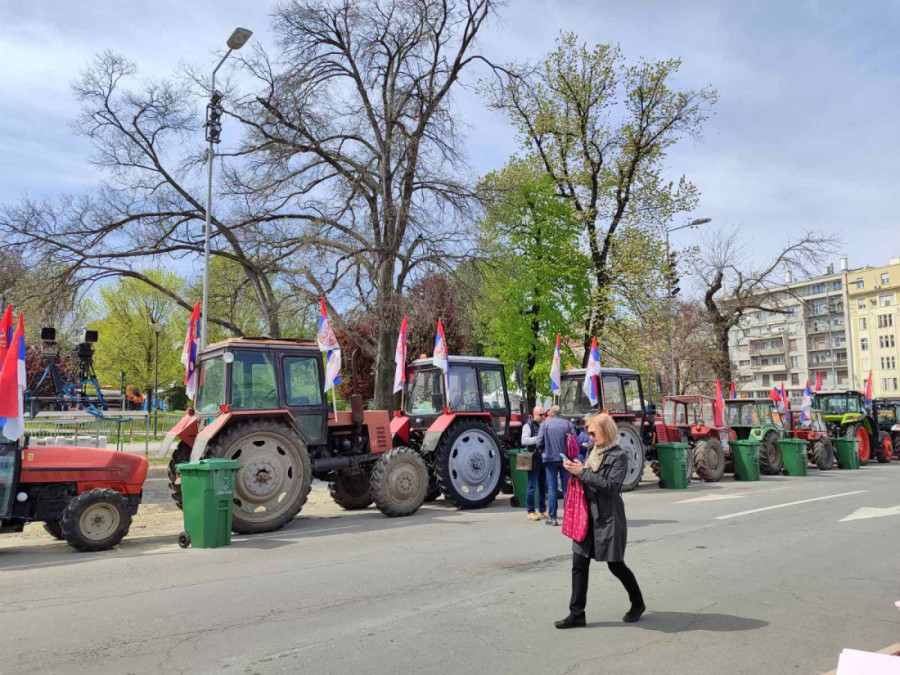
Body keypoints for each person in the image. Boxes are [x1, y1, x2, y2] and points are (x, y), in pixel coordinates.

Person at [556, 413, 645, 629]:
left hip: (608, 517)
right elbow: (589, 476)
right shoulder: (592, 451)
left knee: (616, 565)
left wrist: (582, 472)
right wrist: (576, 470)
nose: (589, 436)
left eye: (593, 432)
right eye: (588, 432)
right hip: (587, 515)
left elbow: (610, 487)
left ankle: (638, 603)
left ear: (606, 431)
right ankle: (576, 614)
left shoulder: (619, 456)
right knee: (579, 563)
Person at [536, 405, 573, 527]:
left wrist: (543, 452)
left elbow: (539, 442)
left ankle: (552, 517)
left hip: (549, 459)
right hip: (565, 459)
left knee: (552, 490)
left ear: (551, 413)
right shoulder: (567, 424)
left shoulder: (545, 424)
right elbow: (574, 441)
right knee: (567, 489)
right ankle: (569, 516)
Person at [520, 406, 548, 520]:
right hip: (533, 459)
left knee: (543, 486)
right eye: (540, 415)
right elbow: (524, 440)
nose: (543, 416)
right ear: (534, 414)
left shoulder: (544, 424)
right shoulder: (528, 425)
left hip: (544, 458)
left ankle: (542, 509)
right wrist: (539, 438)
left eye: (544, 414)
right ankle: (530, 511)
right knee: (532, 486)